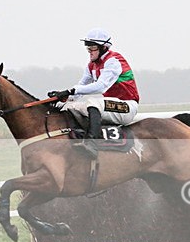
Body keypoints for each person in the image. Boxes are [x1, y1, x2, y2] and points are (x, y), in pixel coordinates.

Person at [48, 28, 140, 158]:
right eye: (88, 48)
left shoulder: (113, 61)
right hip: (110, 106)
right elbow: (80, 87)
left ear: (103, 48)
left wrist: (71, 91)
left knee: (93, 103)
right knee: (70, 107)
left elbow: (101, 87)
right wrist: (64, 97)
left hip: (126, 107)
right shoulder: (92, 65)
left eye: (93, 48)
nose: (90, 52)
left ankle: (92, 143)